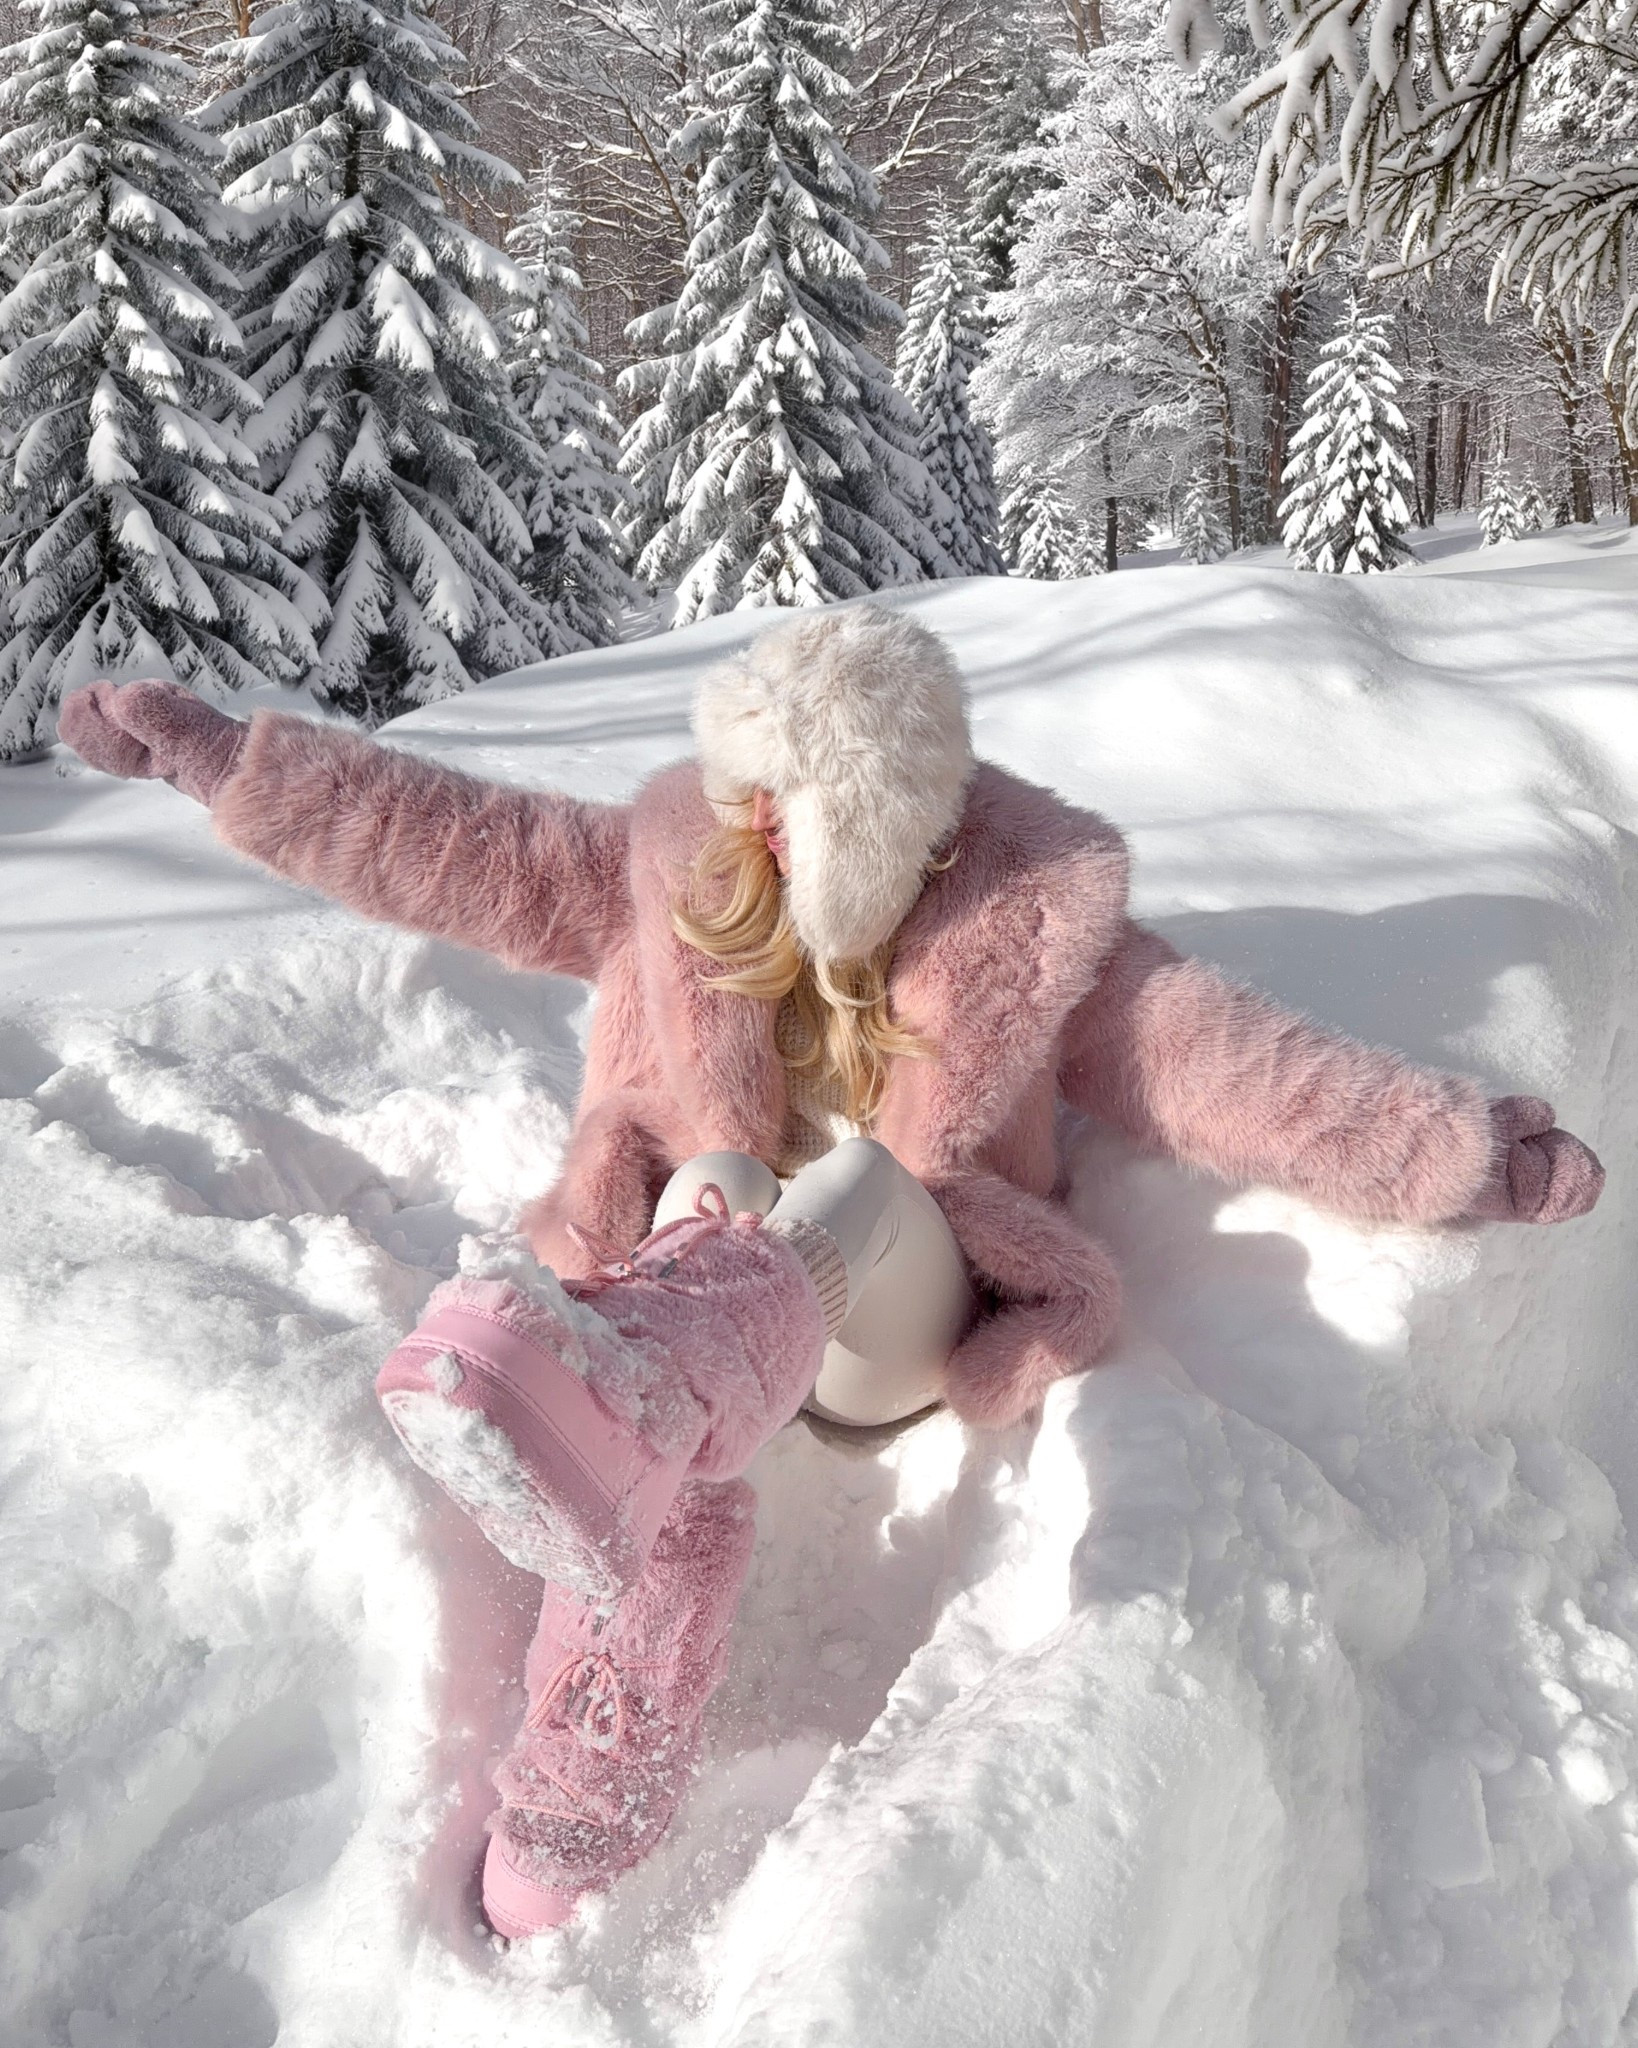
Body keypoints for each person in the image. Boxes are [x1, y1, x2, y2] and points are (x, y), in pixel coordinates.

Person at [57, 604, 1603, 1938]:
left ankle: (622, 1398)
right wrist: (229, 765)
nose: (770, 836)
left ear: (908, 823)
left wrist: (1456, 1151)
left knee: (849, 1191)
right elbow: (451, 845)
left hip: (890, 1315)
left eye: (813, 810)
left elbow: (1225, 1069)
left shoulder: (1027, 918)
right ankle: (591, 1764)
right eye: (759, 798)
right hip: (685, 1265)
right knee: (713, 1192)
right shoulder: (678, 861)